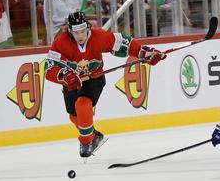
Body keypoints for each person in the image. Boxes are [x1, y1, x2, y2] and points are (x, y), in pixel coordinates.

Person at [44, 11, 167, 158]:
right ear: (70, 30)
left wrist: (145, 53)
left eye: (83, 31)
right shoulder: (60, 42)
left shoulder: (99, 37)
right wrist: (64, 76)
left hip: (94, 78)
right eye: (76, 32)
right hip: (72, 82)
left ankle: (85, 141)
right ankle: (94, 136)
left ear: (88, 27)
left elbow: (125, 43)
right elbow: (49, 68)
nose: (80, 36)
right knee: (74, 116)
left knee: (83, 104)